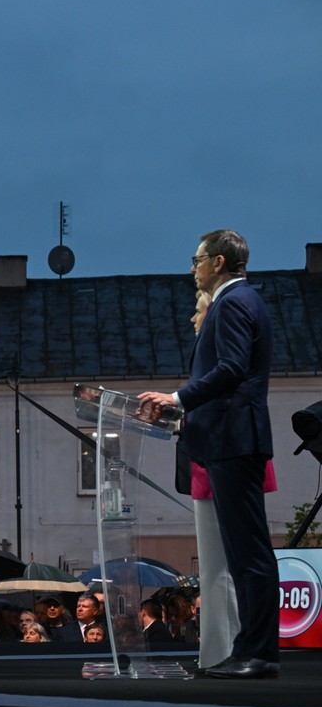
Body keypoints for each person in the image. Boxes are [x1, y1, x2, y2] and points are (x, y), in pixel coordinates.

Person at [139, 230, 278, 679]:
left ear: (218, 262)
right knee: (243, 554)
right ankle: (251, 649)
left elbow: (232, 369)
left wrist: (177, 399)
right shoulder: (242, 301)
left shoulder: (234, 303)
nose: (192, 267)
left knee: (249, 554)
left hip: (234, 441)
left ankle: (258, 653)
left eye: (197, 259)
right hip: (228, 438)